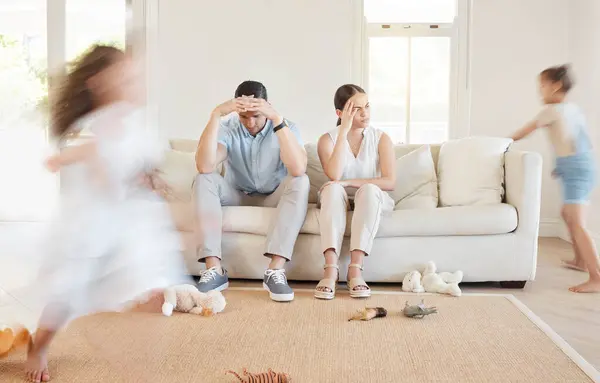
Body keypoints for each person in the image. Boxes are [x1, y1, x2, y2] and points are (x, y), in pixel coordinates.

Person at [24, 45, 189, 382]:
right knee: (65, 298)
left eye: (132, 77)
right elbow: (92, 151)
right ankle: (37, 346)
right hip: (90, 223)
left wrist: (150, 181)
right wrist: (66, 160)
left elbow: (144, 162)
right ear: (98, 82)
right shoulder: (95, 123)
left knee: (150, 286)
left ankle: (138, 367)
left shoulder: (137, 121)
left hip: (130, 222)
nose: (132, 84)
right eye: (124, 78)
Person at [194, 81, 309, 302]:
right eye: (244, 116)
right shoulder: (227, 128)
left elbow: (298, 168)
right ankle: (214, 270)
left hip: (272, 197)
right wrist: (216, 114)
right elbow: (205, 165)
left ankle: (275, 270)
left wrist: (276, 120)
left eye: (256, 115)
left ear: (267, 107)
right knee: (203, 179)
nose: (250, 122)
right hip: (237, 195)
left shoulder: (287, 127)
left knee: (301, 180)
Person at [510, 64, 600, 293]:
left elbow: (524, 131)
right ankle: (580, 261)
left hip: (577, 170)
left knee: (576, 222)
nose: (539, 90)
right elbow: (577, 141)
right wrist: (563, 167)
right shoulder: (572, 109)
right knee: (568, 215)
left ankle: (596, 276)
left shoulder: (552, 110)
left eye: (542, 85)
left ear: (556, 85)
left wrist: (500, 142)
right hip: (583, 166)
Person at [314, 84, 396, 300]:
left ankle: (355, 270)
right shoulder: (326, 140)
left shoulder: (381, 138)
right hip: (339, 199)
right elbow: (334, 175)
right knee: (332, 190)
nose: (365, 113)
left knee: (369, 189)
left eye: (367, 106)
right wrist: (343, 132)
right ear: (340, 113)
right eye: (356, 109)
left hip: (372, 197)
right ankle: (330, 269)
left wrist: (348, 182)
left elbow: (389, 181)